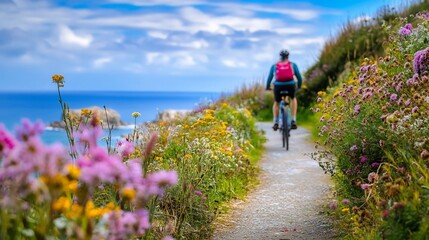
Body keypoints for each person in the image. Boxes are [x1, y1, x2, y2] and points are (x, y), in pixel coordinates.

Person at [265, 49, 302, 131]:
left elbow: (269, 78)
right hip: (291, 85)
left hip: (278, 86)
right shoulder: (293, 65)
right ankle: (293, 120)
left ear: (280, 57)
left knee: (276, 102)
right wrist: (299, 86)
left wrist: (267, 87)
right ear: (288, 56)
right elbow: (299, 77)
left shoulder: (274, 66)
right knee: (293, 98)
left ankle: (275, 122)